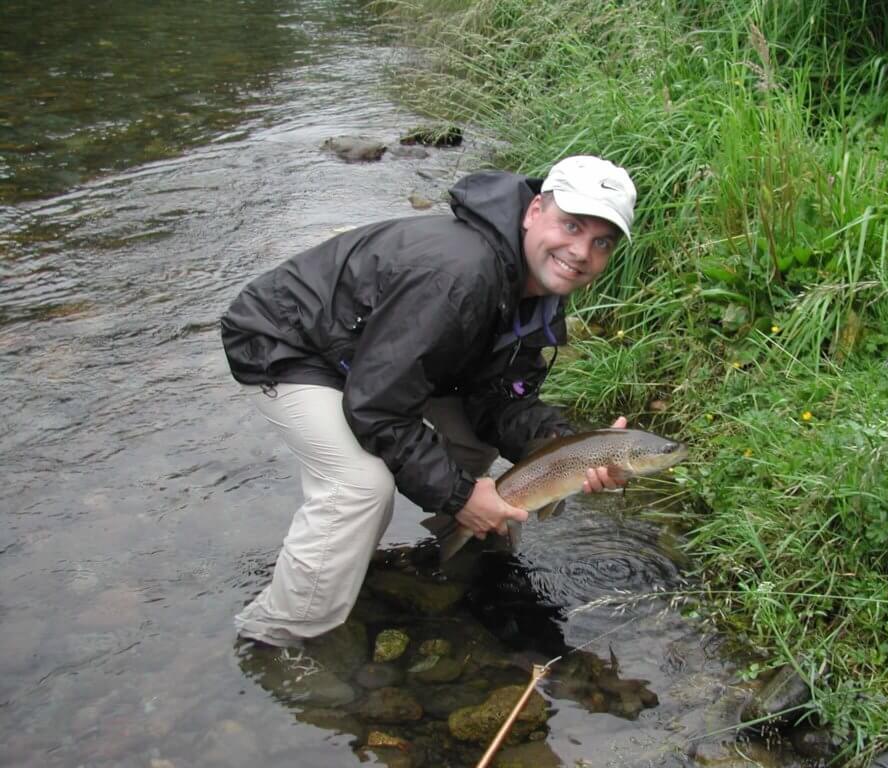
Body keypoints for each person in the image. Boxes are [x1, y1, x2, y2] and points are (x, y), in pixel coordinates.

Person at [221, 155, 638, 648]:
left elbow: (499, 398)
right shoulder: (459, 275)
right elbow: (376, 406)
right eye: (571, 225)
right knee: (360, 486)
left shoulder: (536, 284)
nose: (580, 252)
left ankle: (460, 545)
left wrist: (569, 446)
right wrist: (461, 494)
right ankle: (278, 637)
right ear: (534, 211)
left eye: (601, 242)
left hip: (377, 358)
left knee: (467, 442)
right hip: (292, 345)